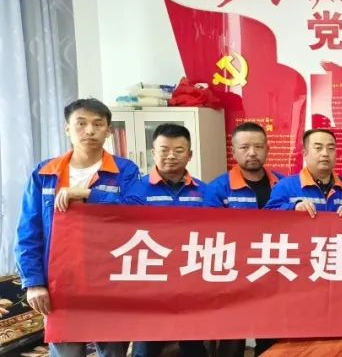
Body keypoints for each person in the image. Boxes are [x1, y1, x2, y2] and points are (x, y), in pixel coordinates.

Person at [16, 98, 139, 357]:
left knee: (113, 351)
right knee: (67, 352)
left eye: (98, 124)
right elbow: (29, 231)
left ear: (108, 130)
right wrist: (34, 283)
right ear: (67, 129)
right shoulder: (45, 173)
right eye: (81, 124)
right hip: (61, 282)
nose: (90, 131)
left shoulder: (125, 170)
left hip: (110, 281)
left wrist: (87, 194)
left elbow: (134, 210)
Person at [125, 123, 209, 357]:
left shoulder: (204, 191)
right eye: (164, 150)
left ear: (190, 155)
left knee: (193, 345)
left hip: (190, 279)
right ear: (154, 153)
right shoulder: (136, 190)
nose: (171, 156)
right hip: (150, 280)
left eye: (178, 150)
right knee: (146, 346)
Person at [201, 122, 282, 356]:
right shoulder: (218, 188)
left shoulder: (283, 184)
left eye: (258, 146)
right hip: (232, 275)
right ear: (234, 151)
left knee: (271, 337)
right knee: (232, 340)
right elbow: (209, 232)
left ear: (267, 149)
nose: (252, 153)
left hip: (272, 271)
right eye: (244, 147)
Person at [265, 129, 342, 217]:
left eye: (331, 148)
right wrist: (294, 207)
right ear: (305, 154)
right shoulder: (286, 186)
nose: (325, 154)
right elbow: (268, 215)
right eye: (318, 148)